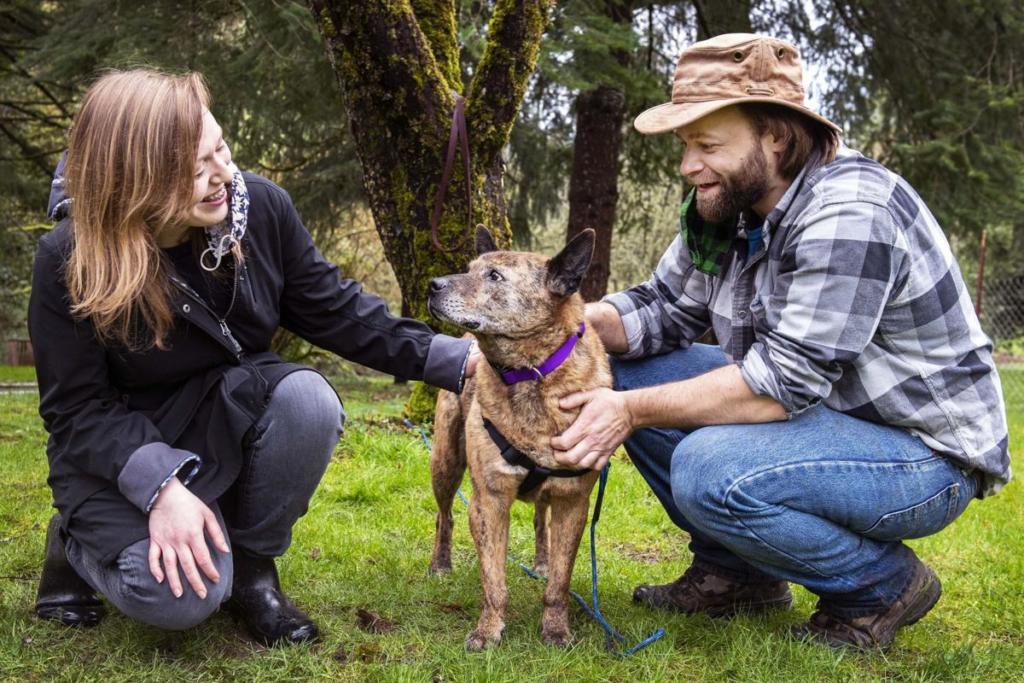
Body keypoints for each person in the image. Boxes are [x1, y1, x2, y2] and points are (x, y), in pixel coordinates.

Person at [550, 33, 1011, 650]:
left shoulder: (850, 211)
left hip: (923, 454)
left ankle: (880, 586)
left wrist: (627, 413)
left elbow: (781, 383)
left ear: (775, 135)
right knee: (628, 370)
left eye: (707, 145)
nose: (689, 166)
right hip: (824, 416)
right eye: (686, 145)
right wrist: (555, 326)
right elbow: (661, 310)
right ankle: (738, 574)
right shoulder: (728, 207)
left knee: (707, 468)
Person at [29, 69, 478, 645]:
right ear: (137, 181)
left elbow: (338, 312)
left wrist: (460, 362)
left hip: (224, 410)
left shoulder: (260, 209)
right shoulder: (68, 257)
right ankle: (73, 542)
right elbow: (76, 410)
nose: (221, 176)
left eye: (220, 148)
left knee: (308, 401)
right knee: (178, 598)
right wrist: (160, 488)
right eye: (194, 169)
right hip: (120, 450)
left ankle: (253, 572)